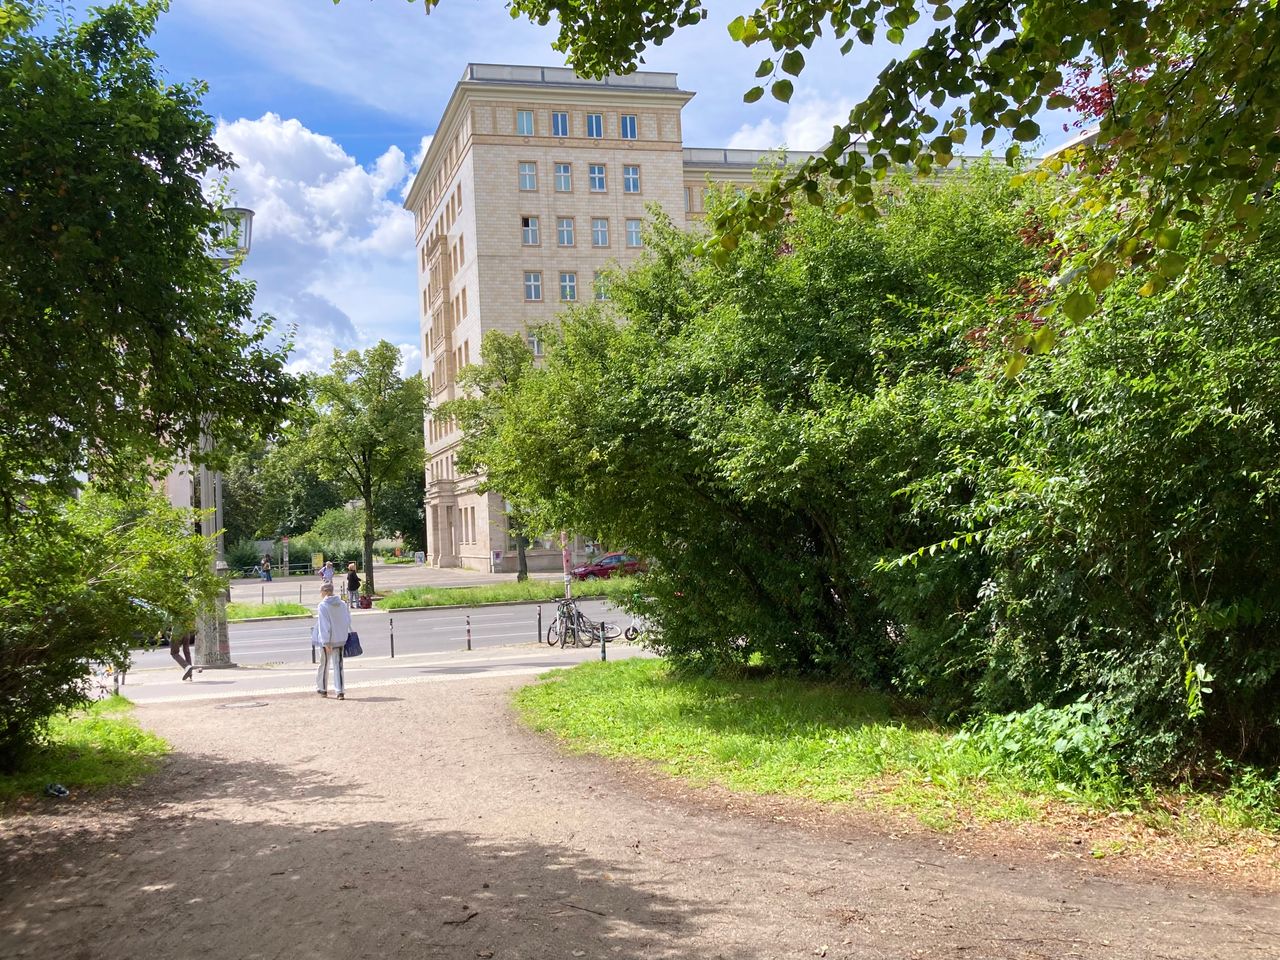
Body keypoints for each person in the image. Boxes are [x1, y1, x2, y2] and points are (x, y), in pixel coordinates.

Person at [315, 582, 352, 699]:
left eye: (321, 591)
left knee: (324, 664)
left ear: (325, 592)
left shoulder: (323, 606)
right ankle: (340, 691)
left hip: (328, 640)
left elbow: (324, 625)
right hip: (340, 639)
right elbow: (347, 620)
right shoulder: (342, 604)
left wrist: (325, 641)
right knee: (339, 665)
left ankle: (322, 689)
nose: (320, 594)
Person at [167, 617, 196, 682]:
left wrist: (160, 632)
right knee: (186, 652)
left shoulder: (172, 608)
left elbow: (167, 621)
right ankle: (190, 674)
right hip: (186, 633)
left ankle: (186, 666)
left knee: (174, 653)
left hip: (176, 634)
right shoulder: (187, 608)